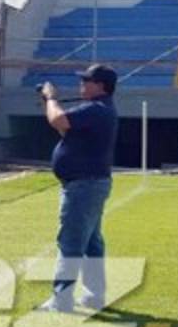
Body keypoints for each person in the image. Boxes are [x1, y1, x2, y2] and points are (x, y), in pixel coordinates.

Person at [37, 64, 119, 313]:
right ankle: (94, 296)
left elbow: (58, 118)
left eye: (87, 81)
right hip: (89, 184)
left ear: (101, 86)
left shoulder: (96, 109)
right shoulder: (98, 109)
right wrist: (48, 102)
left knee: (70, 243)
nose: (81, 85)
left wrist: (51, 98)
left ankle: (61, 301)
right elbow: (62, 126)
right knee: (92, 243)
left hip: (84, 186)